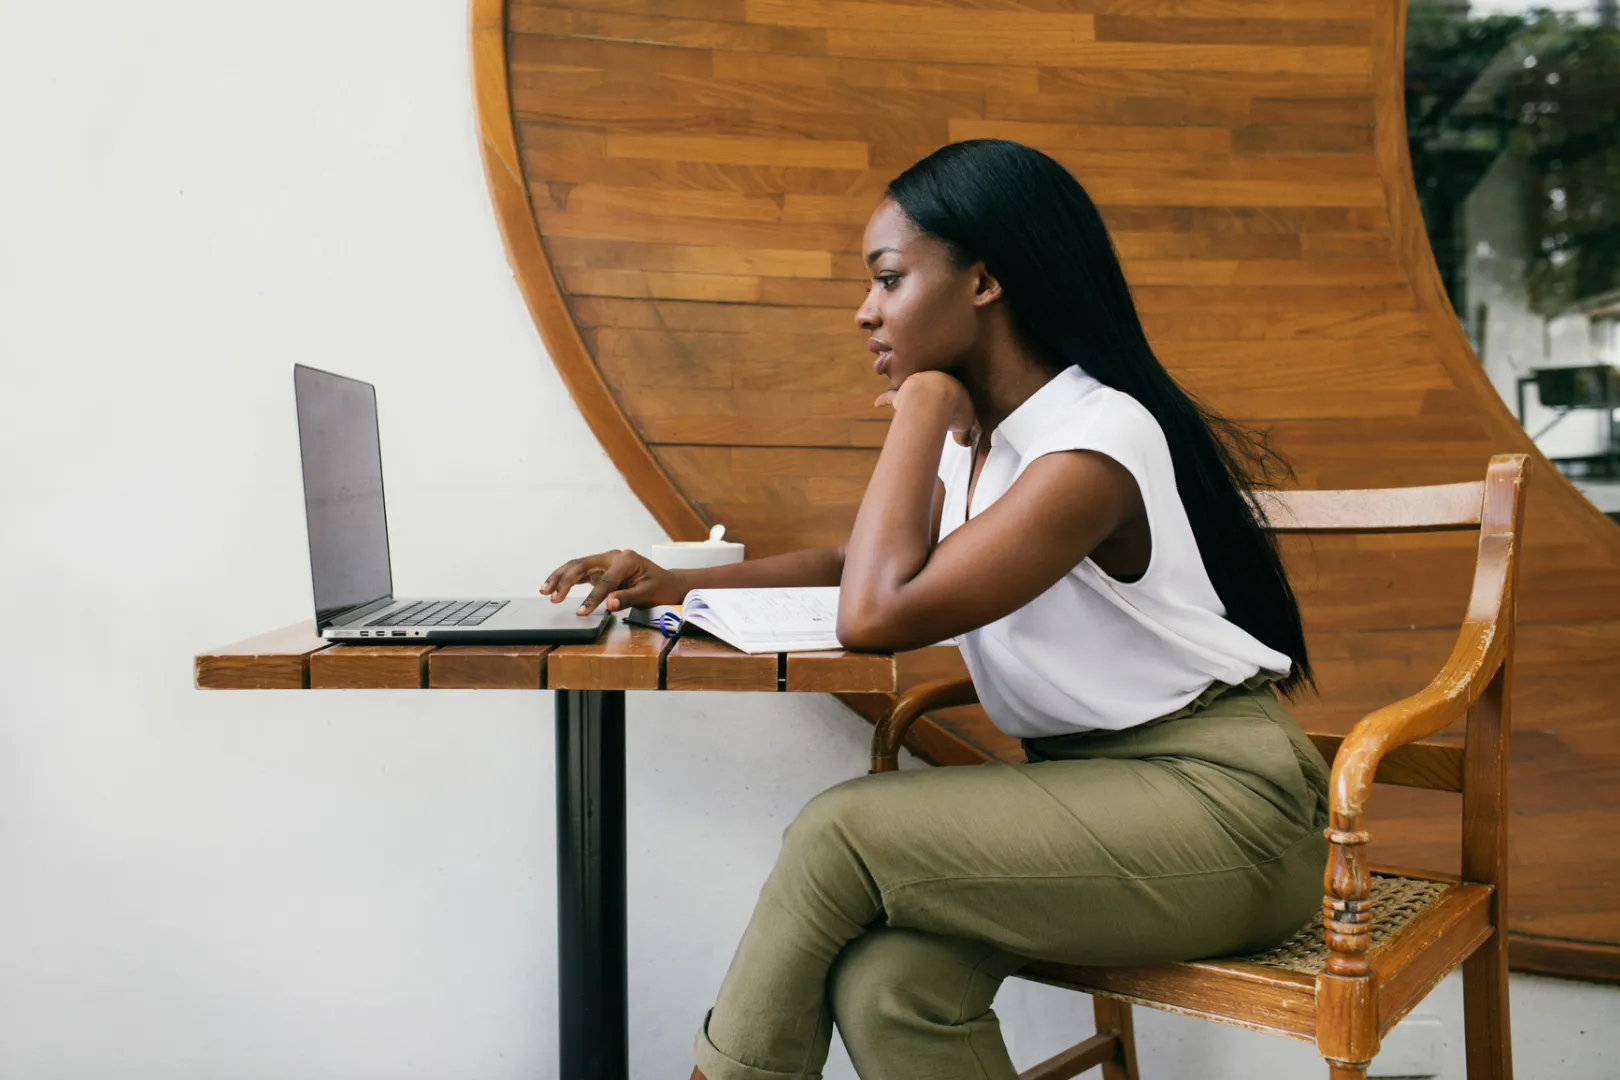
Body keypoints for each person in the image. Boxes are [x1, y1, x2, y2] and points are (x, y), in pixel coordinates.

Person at [540, 139, 1330, 1080]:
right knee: (889, 987)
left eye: (888, 279)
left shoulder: (1093, 445)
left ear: (984, 281)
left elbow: (877, 612)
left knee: (844, 829)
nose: (864, 310)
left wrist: (920, 407)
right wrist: (675, 588)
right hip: (1091, 795)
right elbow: (856, 564)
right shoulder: (994, 439)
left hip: (1227, 813)